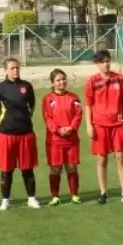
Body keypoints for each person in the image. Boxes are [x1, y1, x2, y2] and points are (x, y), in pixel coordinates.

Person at [83, 50, 123, 205]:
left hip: (118, 124)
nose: (106, 64)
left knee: (121, 159)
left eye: (108, 61)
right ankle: (103, 192)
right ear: (97, 64)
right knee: (101, 160)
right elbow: (88, 105)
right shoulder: (92, 81)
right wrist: (89, 125)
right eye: (102, 61)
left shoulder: (120, 79)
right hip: (100, 126)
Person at [0, 58, 41, 210]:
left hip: (25, 134)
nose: (15, 70)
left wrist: (22, 120)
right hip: (6, 135)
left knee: (27, 168)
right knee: (7, 169)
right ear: (5, 70)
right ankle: (5, 200)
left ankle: (31, 198)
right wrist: (5, 123)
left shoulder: (27, 86)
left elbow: (31, 107)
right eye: (12, 68)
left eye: (17, 68)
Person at [43, 69, 83, 205]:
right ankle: (55, 196)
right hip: (55, 139)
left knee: (72, 167)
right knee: (55, 168)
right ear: (53, 83)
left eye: (63, 79)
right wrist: (58, 130)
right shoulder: (48, 99)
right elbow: (48, 118)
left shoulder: (74, 97)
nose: (62, 82)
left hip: (71, 139)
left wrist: (71, 128)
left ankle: (74, 194)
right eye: (58, 80)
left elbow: (78, 115)